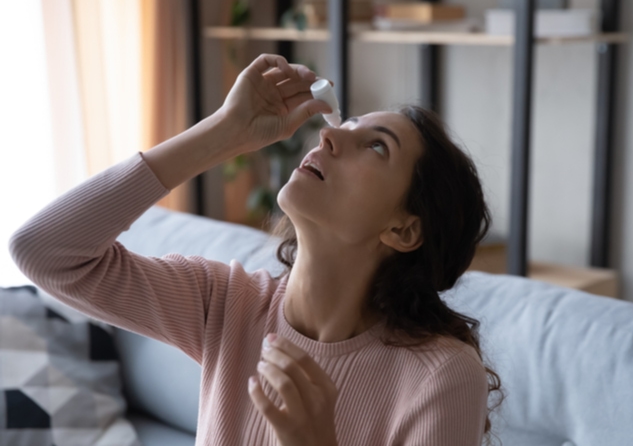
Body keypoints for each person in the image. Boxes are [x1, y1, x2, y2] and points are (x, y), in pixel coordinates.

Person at [10, 54, 502, 446]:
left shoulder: (441, 379)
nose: (328, 135)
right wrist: (225, 132)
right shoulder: (226, 304)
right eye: (343, 124)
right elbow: (44, 252)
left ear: (404, 230)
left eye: (376, 146)